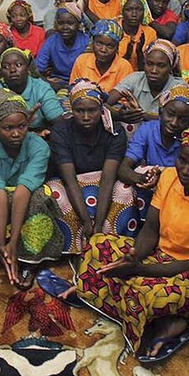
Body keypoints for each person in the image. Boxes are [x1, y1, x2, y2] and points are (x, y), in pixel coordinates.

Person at [74, 124, 189, 363]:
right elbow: (151, 229)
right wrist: (134, 255)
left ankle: (165, 322)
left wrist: (138, 269)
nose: (185, 169)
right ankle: (149, 315)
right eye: (182, 160)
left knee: (145, 291)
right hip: (156, 257)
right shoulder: (170, 176)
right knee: (98, 244)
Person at [0, 89, 62, 287]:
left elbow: (23, 189)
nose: (16, 133)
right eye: (7, 128)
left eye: (22, 126)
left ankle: (28, 260)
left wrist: (14, 240)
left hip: (23, 193)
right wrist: (2, 243)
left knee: (40, 199)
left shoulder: (39, 146)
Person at [45, 79, 136, 254]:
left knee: (125, 191)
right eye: (80, 111)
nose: (86, 116)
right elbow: (69, 179)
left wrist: (99, 223)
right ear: (72, 110)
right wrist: (87, 222)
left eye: (92, 110)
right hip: (71, 183)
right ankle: (72, 250)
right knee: (55, 194)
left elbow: (108, 178)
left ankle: (111, 247)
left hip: (103, 182)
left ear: (102, 109)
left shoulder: (114, 131)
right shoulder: (61, 131)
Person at [115, 84, 189, 220]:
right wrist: (142, 179)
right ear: (161, 111)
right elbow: (123, 168)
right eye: (170, 114)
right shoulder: (147, 130)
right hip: (149, 189)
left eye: (182, 119)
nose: (174, 123)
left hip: (179, 190)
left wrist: (163, 179)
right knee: (122, 189)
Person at [108, 38, 186, 123]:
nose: (154, 70)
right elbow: (103, 103)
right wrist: (119, 115)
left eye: (161, 65)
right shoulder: (135, 79)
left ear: (171, 67)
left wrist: (142, 115)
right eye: (149, 64)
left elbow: (179, 119)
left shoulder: (179, 87)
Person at [0, 46, 64, 129]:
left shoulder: (41, 88)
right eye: (6, 67)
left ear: (27, 68)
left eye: (18, 65)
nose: (12, 70)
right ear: (1, 71)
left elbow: (59, 123)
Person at [35, 2, 89, 91]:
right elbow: (37, 71)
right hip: (58, 83)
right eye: (61, 23)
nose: (65, 27)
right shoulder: (52, 41)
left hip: (83, 83)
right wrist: (52, 84)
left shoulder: (86, 42)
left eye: (70, 23)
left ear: (78, 24)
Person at [71, 19, 133, 93]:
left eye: (110, 46)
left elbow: (124, 98)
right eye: (99, 43)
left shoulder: (124, 66)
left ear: (117, 48)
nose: (103, 50)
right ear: (92, 43)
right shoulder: (82, 60)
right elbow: (73, 90)